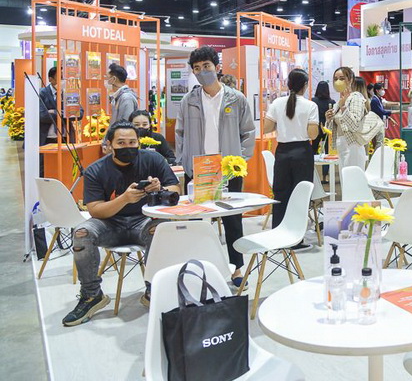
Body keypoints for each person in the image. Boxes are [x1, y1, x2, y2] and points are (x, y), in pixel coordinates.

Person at [63, 121, 180, 326]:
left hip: (144, 221)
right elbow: (95, 210)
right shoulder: (95, 170)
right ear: (109, 145)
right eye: (121, 143)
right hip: (110, 224)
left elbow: (176, 189)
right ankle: (91, 295)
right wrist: (124, 199)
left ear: (139, 142)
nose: (128, 147)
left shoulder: (153, 159)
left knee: (160, 229)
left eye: (132, 142)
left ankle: (154, 289)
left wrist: (160, 189)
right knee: (82, 233)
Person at [175, 46, 255, 286]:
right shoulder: (189, 100)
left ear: (217, 67)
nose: (202, 72)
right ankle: (199, 270)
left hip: (228, 170)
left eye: (206, 66)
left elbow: (248, 132)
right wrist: (185, 162)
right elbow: (179, 133)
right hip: (199, 169)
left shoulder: (236, 98)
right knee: (197, 222)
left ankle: (237, 269)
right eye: (197, 68)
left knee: (233, 221)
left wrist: (239, 161)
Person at [264, 69, 319, 233]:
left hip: (282, 152)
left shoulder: (277, 103)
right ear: (305, 85)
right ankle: (297, 235)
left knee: (280, 193)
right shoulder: (311, 106)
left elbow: (267, 128)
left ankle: (279, 232)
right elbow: (312, 134)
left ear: (288, 84)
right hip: (302, 152)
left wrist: (282, 124)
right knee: (301, 194)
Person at [326, 69, 368, 169]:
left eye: (342, 78)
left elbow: (355, 125)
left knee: (352, 177)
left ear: (350, 80)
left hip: (353, 145)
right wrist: (328, 119)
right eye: (335, 79)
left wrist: (343, 108)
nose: (338, 82)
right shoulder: (340, 101)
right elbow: (332, 129)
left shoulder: (356, 97)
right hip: (341, 145)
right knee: (344, 177)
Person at [38, 66, 83, 146]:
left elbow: (79, 114)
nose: (63, 80)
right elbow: (42, 115)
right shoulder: (42, 93)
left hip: (66, 138)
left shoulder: (70, 94)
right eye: (60, 77)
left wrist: (54, 112)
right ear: (50, 79)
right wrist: (67, 113)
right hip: (47, 138)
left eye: (64, 77)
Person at [311, 81, 335, 155]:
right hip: (328, 128)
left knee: (313, 149)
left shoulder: (313, 101)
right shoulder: (332, 102)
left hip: (316, 127)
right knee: (328, 150)